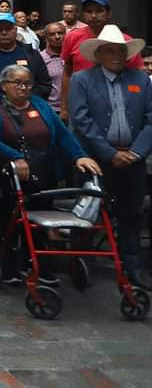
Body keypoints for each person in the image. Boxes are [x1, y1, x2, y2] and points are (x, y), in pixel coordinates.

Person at [0, 64, 99, 284]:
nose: (23, 87)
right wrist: (14, 156)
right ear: (4, 85)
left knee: (40, 220)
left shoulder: (41, 105)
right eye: (17, 83)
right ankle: (8, 263)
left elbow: (62, 134)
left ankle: (38, 263)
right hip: (7, 174)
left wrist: (79, 156)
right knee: (9, 218)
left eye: (27, 83)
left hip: (43, 171)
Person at [68, 25, 152, 289]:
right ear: (99, 53)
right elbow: (81, 119)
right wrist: (109, 152)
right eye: (111, 51)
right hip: (95, 159)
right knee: (87, 211)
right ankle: (79, 263)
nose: (117, 56)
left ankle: (132, 267)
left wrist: (136, 152)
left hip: (133, 157)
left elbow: (150, 119)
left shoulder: (141, 80)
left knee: (131, 214)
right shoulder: (82, 79)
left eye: (121, 51)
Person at [60, 0, 143, 120]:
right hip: (81, 103)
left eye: (99, 11)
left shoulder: (125, 42)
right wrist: (64, 107)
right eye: (89, 11)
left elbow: (137, 76)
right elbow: (67, 73)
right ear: (83, 14)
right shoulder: (72, 37)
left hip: (117, 105)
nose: (94, 16)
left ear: (108, 13)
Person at [40, 21, 66, 113]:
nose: (57, 37)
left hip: (74, 107)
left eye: (60, 33)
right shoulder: (40, 58)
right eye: (52, 34)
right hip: (51, 109)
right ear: (46, 38)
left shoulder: (73, 56)